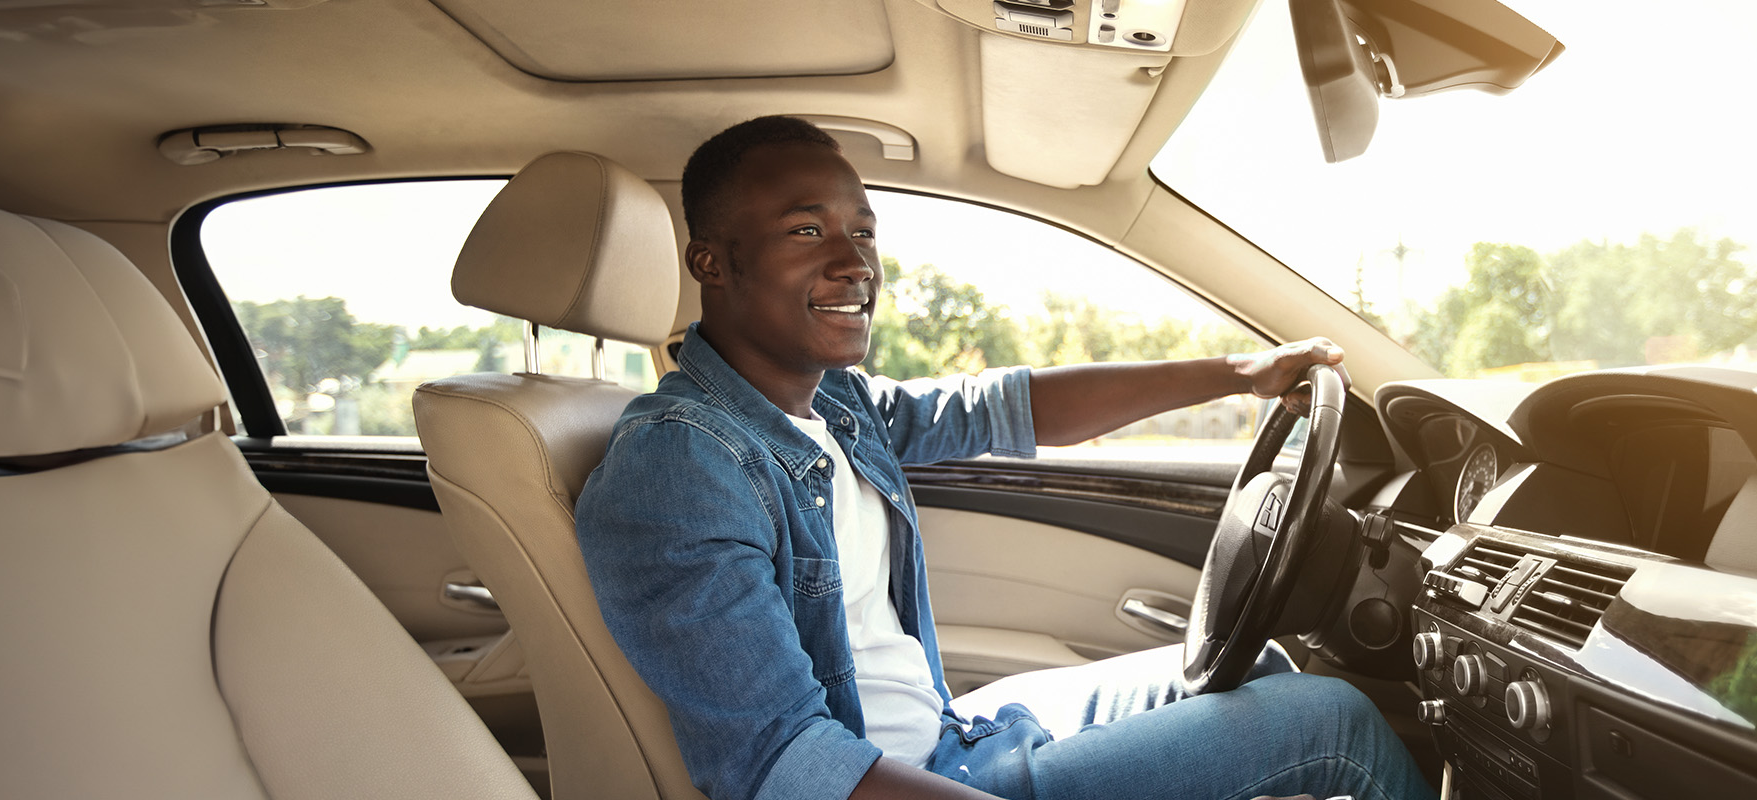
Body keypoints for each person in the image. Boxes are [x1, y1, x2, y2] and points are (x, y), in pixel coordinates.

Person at [574, 116, 1434, 800]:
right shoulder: (682, 464)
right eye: (808, 229)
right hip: (926, 775)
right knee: (1332, 725)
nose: (854, 263)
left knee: (1264, 670)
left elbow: (1002, 408)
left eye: (863, 233)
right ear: (711, 264)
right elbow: (786, 766)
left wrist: (1238, 373)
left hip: (951, 735)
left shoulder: (828, 402)